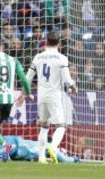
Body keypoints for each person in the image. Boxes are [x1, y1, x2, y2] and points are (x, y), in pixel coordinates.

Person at [26, 32, 77, 164]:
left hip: (41, 96)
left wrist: (25, 92)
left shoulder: (38, 57)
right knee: (61, 126)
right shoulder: (61, 58)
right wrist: (73, 86)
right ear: (58, 43)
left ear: (46, 41)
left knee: (44, 126)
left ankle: (41, 158)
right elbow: (66, 79)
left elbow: (27, 78)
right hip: (54, 96)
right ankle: (53, 148)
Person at [0, 37, 33, 163]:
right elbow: (24, 80)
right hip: (9, 100)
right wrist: (28, 93)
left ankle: (5, 145)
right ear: (2, 47)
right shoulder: (13, 60)